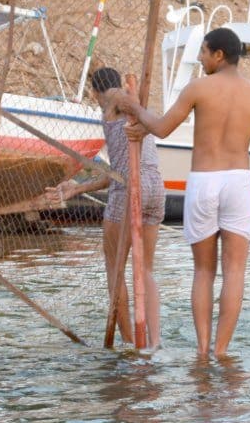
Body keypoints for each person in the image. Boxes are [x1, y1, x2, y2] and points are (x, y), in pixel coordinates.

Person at [116, 27, 250, 359]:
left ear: (219, 55)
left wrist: (135, 108)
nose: (201, 58)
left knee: (204, 271)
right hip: (238, 181)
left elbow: (160, 127)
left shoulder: (199, 88)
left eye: (203, 52)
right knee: (235, 272)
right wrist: (246, 182)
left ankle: (202, 351)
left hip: (204, 180)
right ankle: (221, 351)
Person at [45, 67, 165, 349]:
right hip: (155, 186)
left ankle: (127, 342)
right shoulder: (125, 105)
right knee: (146, 269)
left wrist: (135, 102)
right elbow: (117, 170)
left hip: (130, 189)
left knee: (115, 268)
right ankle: (155, 343)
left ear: (93, 91)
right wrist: (76, 188)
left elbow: (125, 103)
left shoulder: (113, 100)